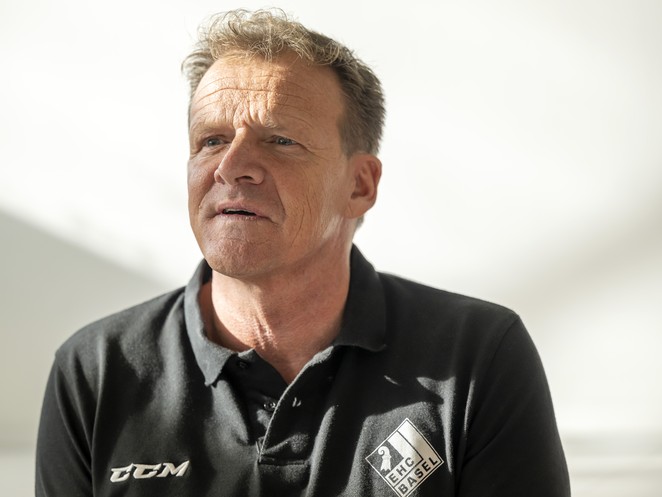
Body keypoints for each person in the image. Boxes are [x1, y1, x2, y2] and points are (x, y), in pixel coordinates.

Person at [36, 9, 570, 497]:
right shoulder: (97, 370)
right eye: (211, 140)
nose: (231, 167)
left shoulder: (477, 357)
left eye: (280, 140)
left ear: (359, 185)